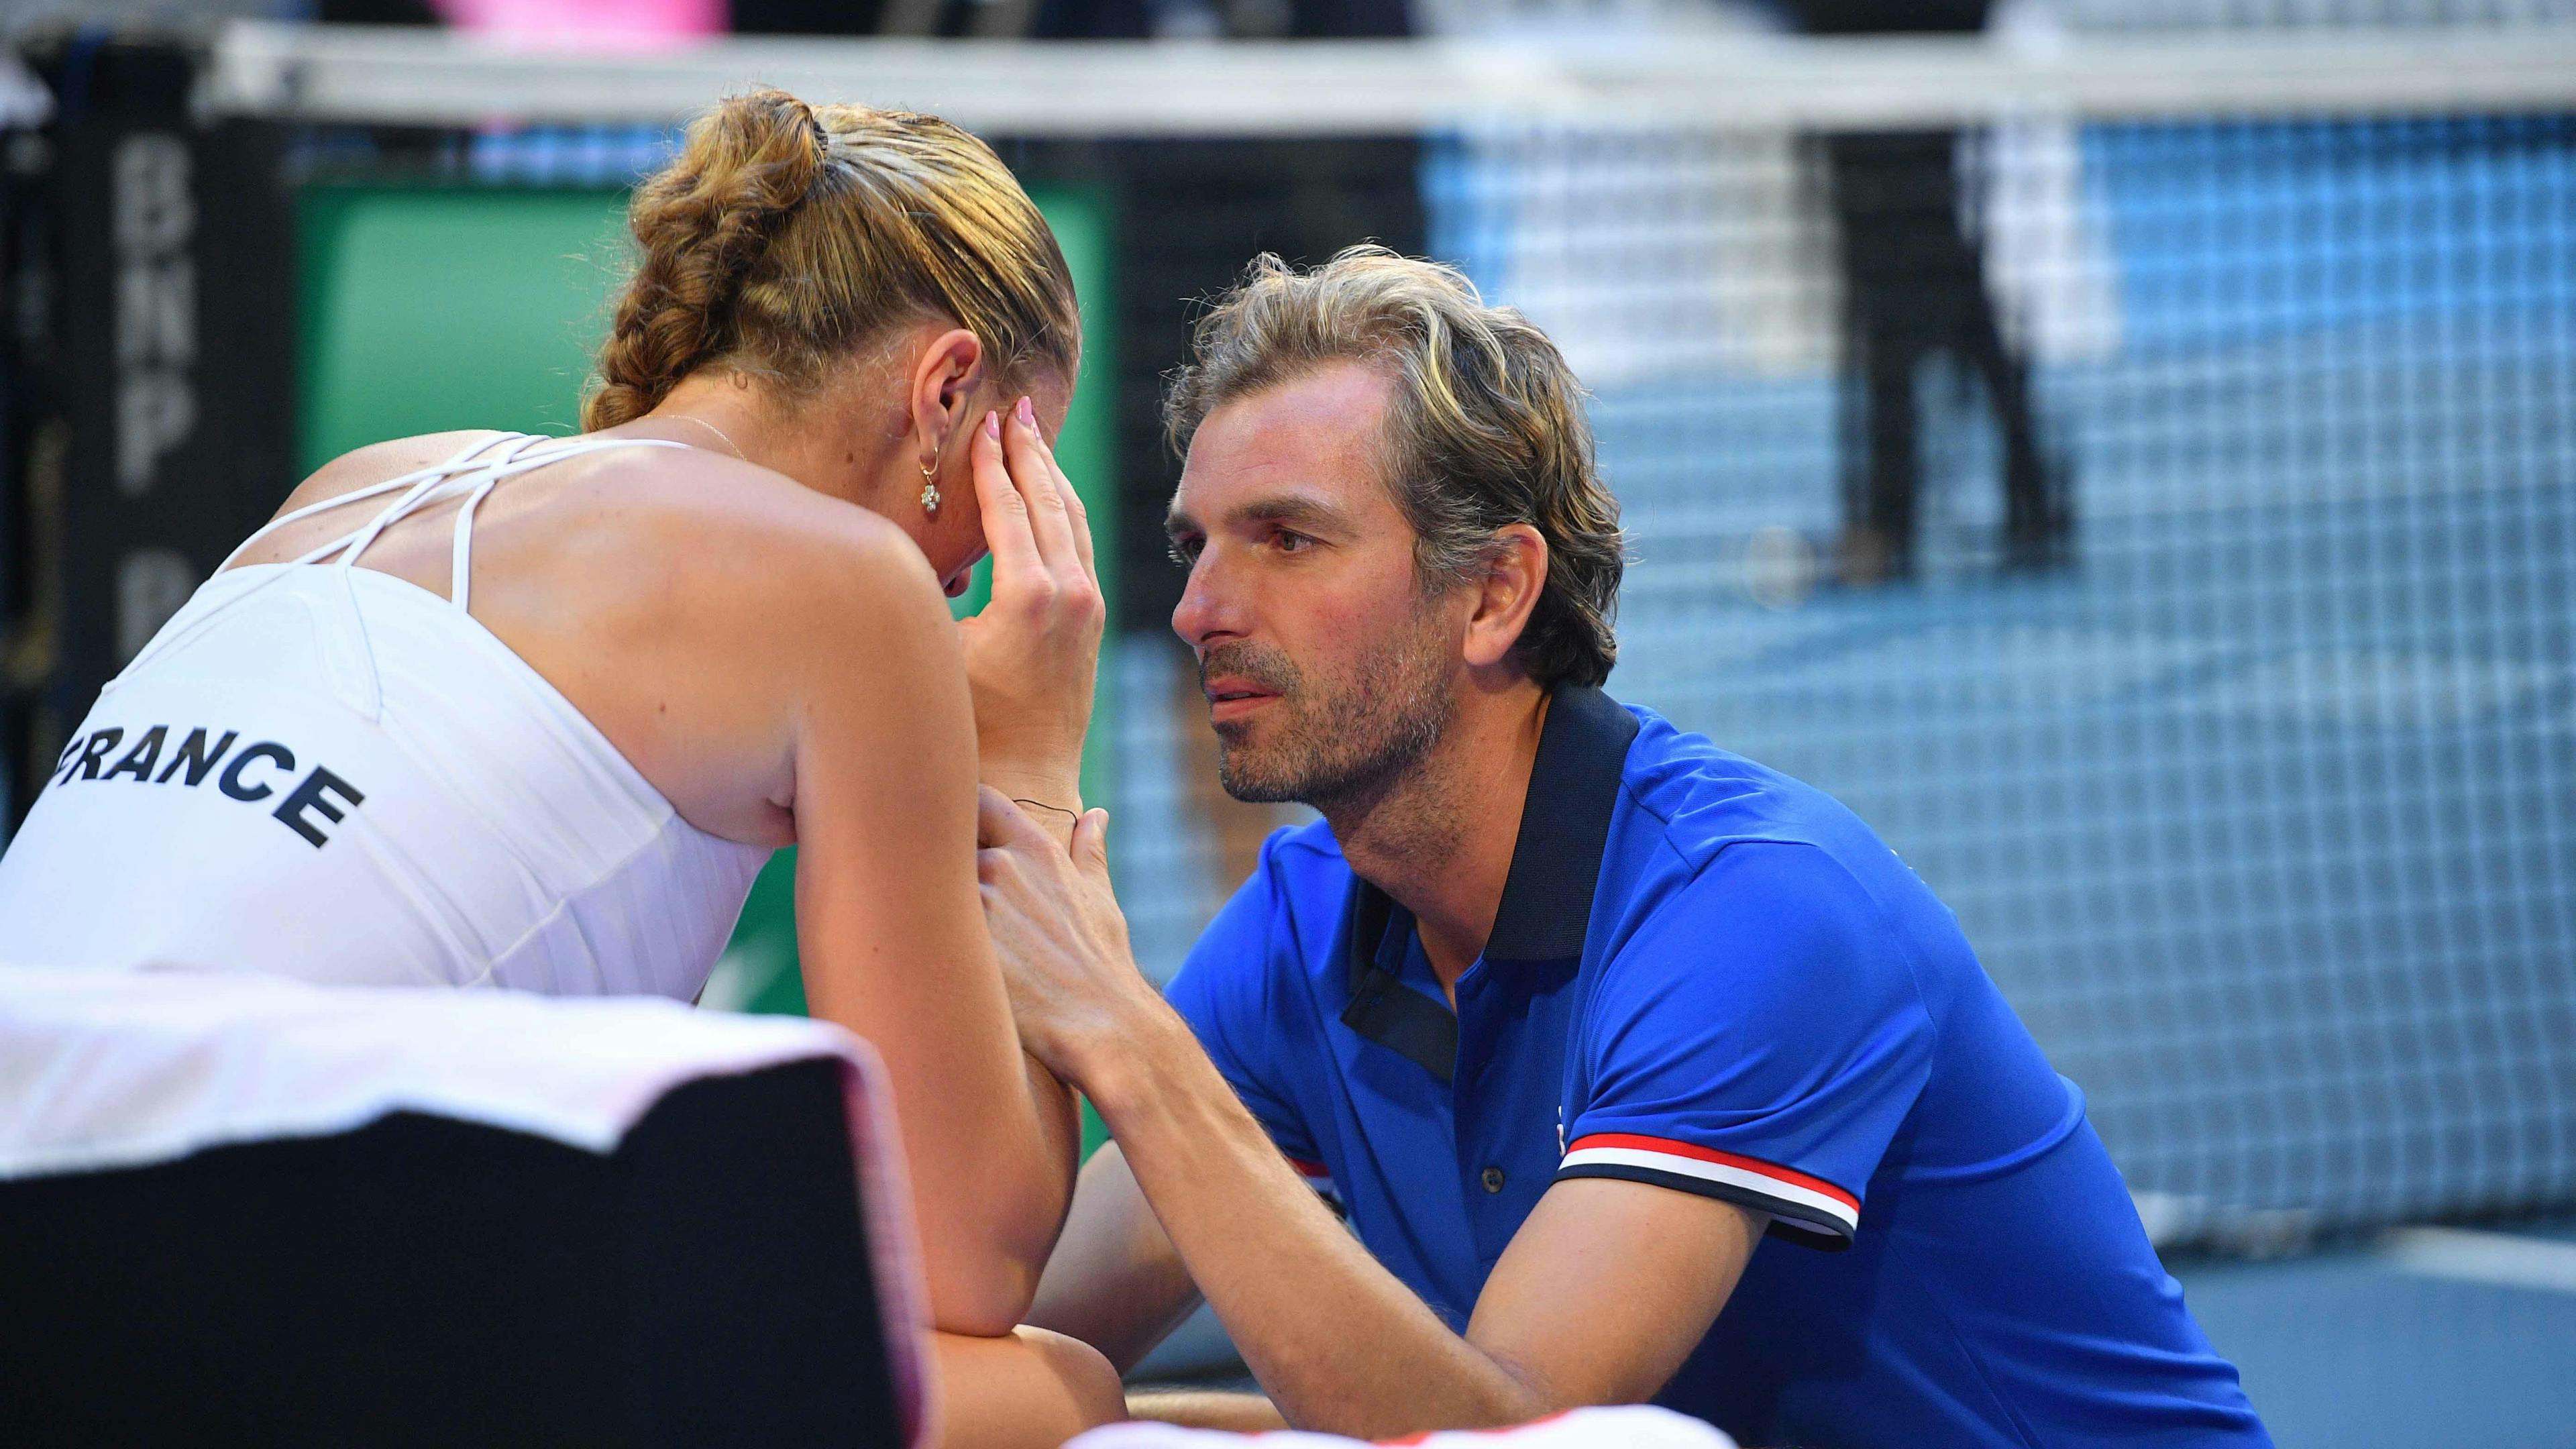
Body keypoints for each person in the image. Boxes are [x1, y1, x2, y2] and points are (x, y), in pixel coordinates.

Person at [974, 248, 2271, 1446]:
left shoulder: (1754, 919)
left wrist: (1129, 1047)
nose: (1198, 610)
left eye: (1288, 539)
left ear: (1495, 593)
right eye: (1195, 546)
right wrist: (1026, 786)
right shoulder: (1305, 926)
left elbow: (1512, 1436)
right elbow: (1014, 1323)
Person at [0, 91, 1120, 1449]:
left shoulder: (352, 489)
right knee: (1057, 1393)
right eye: (1020, 470)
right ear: (947, 393)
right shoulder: (854, 590)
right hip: (177, 1302)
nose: (992, 562)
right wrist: (1032, 759)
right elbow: (968, 1262)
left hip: (56, 1220)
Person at [1778, 0, 2073, 582]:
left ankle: (1891, 530)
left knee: (1908, 303)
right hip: (1882, 102)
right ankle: (2016, 506)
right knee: (1938, 295)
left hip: (1902, 103)